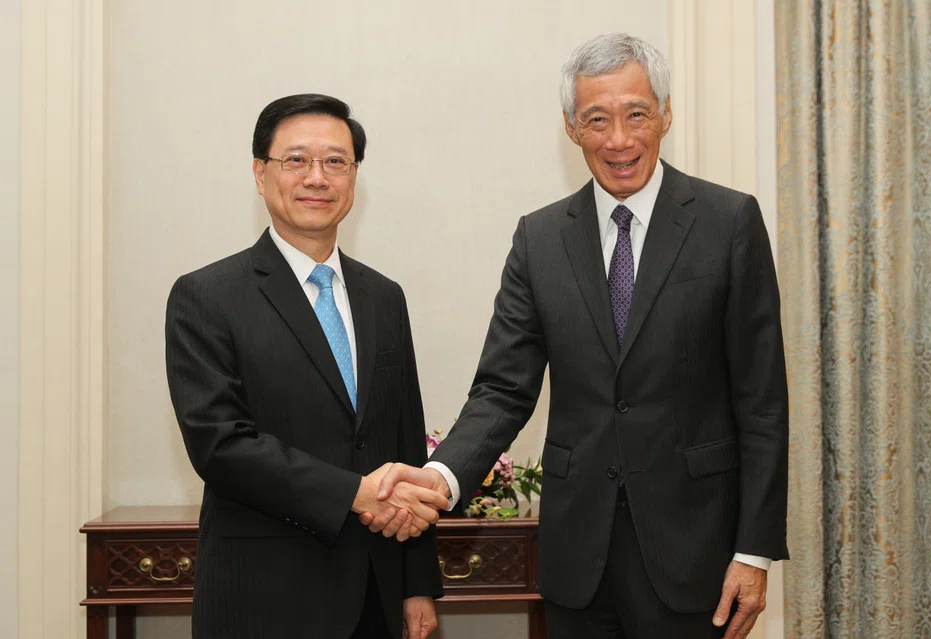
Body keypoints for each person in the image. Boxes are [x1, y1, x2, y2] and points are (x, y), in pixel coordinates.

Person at [365, 34, 789, 639]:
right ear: (571, 127)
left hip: (696, 551)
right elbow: (502, 390)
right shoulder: (539, 239)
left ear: (665, 114)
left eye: (636, 114)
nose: (619, 139)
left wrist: (754, 551)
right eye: (597, 119)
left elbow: (763, 401)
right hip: (576, 559)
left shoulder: (729, 222)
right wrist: (440, 478)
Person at [165, 93, 448, 639]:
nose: (317, 177)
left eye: (335, 161)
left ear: (354, 177)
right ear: (259, 171)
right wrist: (354, 493)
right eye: (296, 160)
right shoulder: (207, 295)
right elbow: (220, 445)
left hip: (377, 591)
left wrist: (417, 583)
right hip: (265, 597)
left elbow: (404, 439)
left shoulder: (383, 297)